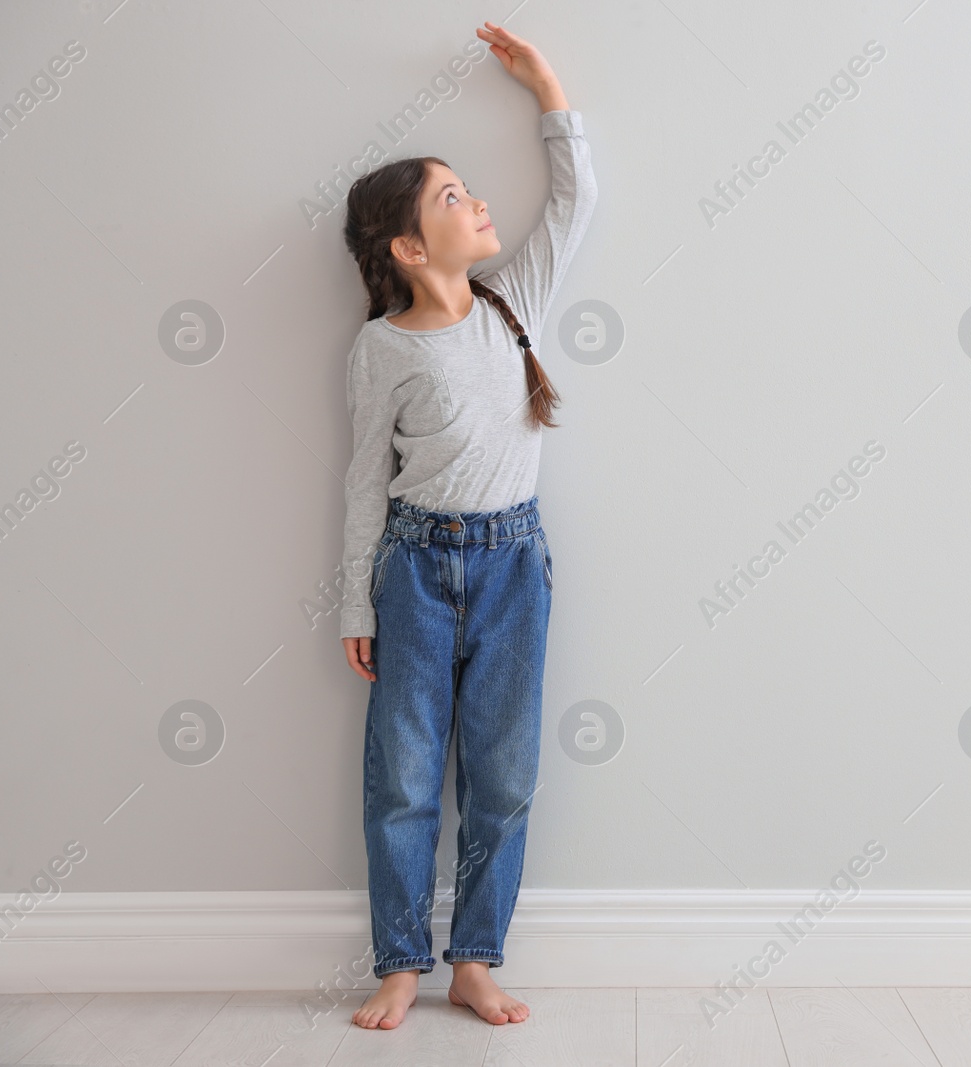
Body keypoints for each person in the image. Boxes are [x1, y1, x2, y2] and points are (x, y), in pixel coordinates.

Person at [336, 19, 596, 1029]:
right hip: (414, 567)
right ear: (408, 245)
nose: (476, 202)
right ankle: (400, 958)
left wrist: (547, 90)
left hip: (511, 565)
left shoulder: (511, 302)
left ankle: (473, 958)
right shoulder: (380, 347)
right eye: (452, 197)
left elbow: (575, 204)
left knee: (503, 771)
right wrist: (353, 600)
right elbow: (364, 479)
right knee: (401, 775)